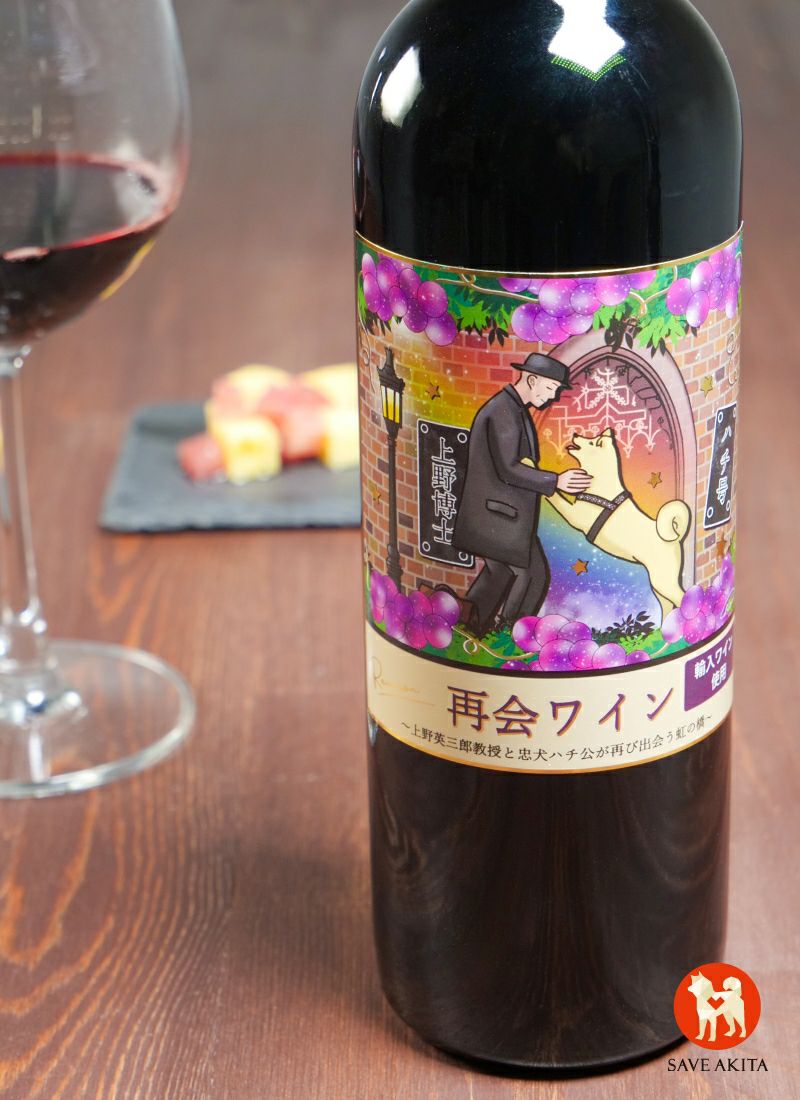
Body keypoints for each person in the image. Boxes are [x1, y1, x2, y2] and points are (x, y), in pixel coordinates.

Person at [453, 353, 592, 637]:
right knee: (532, 575)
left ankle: (468, 627)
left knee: (499, 573)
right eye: (550, 388)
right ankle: (510, 636)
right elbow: (509, 469)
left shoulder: (511, 408)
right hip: (499, 515)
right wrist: (557, 481)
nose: (552, 396)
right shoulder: (504, 411)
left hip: (499, 515)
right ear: (531, 380)